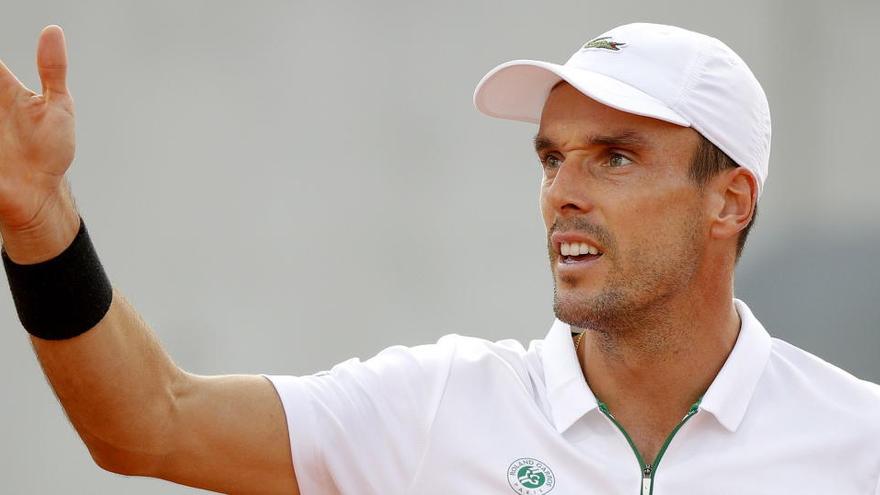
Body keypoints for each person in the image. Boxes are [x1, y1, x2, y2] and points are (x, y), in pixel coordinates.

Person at [1, 21, 878, 495]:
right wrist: (42, 226)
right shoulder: (438, 406)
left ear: (731, 200)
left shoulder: (859, 443)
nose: (563, 190)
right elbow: (148, 422)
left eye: (614, 156)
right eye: (550, 156)